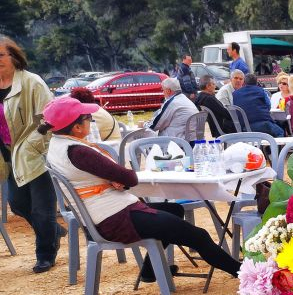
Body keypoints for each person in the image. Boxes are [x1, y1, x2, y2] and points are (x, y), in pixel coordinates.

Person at [41, 96, 240, 281]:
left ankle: (150, 270)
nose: (91, 120)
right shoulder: (80, 152)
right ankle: (240, 272)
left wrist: (110, 179)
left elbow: (107, 177)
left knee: (175, 210)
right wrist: (115, 178)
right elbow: (129, 177)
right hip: (114, 218)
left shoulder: (56, 146)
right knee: (199, 235)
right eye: (87, 118)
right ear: (76, 127)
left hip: (101, 215)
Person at [1, 36, 63, 273]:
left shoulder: (31, 83)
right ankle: (54, 232)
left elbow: (47, 116)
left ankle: (45, 253)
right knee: (17, 204)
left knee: (42, 208)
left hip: (35, 154)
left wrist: (32, 144)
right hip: (8, 155)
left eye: (0, 56)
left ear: (14, 57)